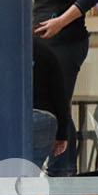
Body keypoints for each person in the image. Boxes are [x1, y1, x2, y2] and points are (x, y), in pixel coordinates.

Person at [31, 0, 98, 177]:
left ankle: (64, 170)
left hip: (66, 44)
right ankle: (54, 168)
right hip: (43, 47)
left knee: (59, 104)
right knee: (49, 107)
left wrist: (60, 22)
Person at [32, 38, 73, 169]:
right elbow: (60, 95)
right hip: (43, 119)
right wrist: (62, 134)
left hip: (8, 120)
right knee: (29, 174)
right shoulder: (44, 50)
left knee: (3, 176)